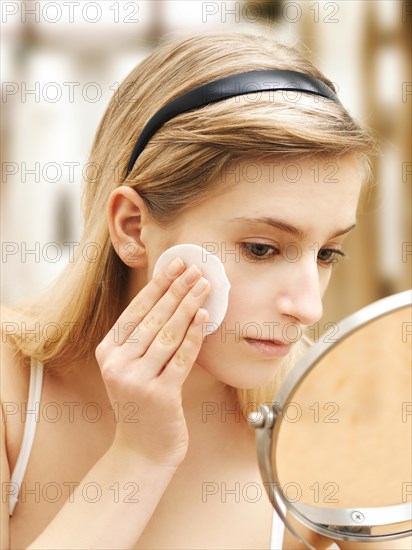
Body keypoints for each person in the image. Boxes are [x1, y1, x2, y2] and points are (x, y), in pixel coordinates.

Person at [3, 31, 396, 549]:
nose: (307, 307)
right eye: (262, 248)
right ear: (131, 227)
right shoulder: (13, 392)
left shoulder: (321, 420)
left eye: (326, 254)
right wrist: (139, 456)